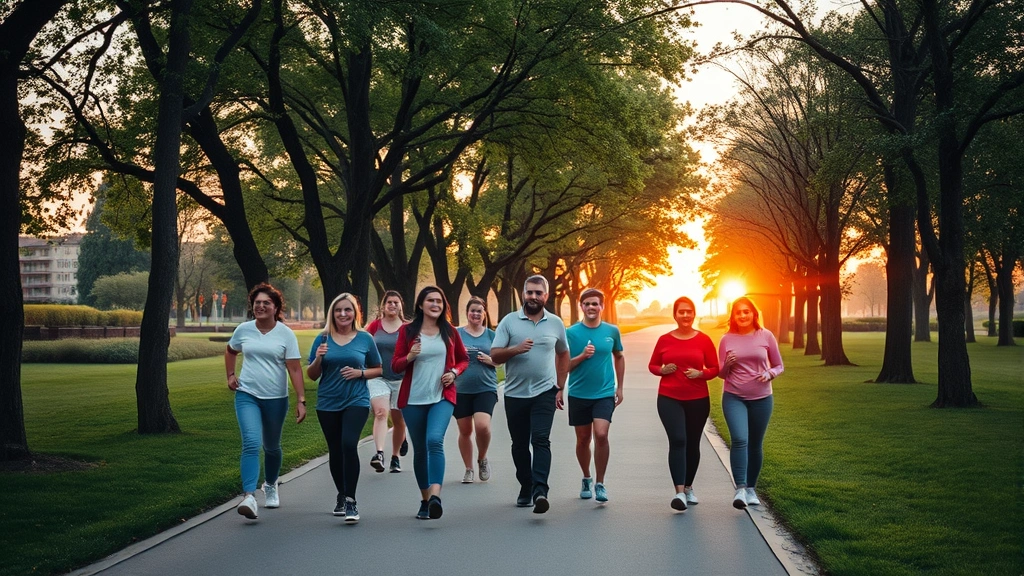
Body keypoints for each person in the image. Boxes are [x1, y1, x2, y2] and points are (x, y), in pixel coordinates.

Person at [224, 283, 306, 520]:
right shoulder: (244, 329)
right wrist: (230, 375)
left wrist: (301, 400)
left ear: (276, 307)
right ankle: (249, 496)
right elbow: (230, 351)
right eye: (257, 303)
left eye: (266, 303)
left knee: (272, 447)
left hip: (276, 399)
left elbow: (294, 368)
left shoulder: (285, 334)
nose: (260, 306)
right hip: (247, 394)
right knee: (251, 442)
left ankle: (270, 484)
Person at [490, 275, 569, 514]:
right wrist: (516, 349)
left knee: (541, 440)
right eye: (530, 292)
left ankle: (540, 491)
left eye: (538, 293)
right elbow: (494, 356)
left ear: (546, 296)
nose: (533, 297)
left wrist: (560, 385)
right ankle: (526, 486)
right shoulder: (509, 322)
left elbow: (563, 353)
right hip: (515, 393)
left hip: (545, 391)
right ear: (523, 294)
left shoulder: (555, 323)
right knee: (520, 445)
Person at [392, 286, 469, 520]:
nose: (435, 304)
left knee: (434, 440)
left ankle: (436, 495)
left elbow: (463, 359)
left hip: (441, 397)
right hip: (413, 400)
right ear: (420, 305)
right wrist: (410, 357)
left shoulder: (449, 331)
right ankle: (425, 500)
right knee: (420, 450)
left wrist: (454, 373)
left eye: (439, 301)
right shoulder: (407, 331)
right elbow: (395, 365)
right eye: (430, 300)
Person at [306, 293, 382, 523]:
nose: (343, 314)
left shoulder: (365, 339)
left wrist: (360, 373)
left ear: (354, 313)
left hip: (356, 401)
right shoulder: (322, 338)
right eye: (338, 310)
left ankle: (351, 500)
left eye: (347, 310)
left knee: (349, 444)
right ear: (332, 313)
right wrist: (319, 358)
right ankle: (341, 493)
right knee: (335, 450)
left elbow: (378, 369)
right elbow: (312, 375)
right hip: (328, 402)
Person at [647, 296, 719, 511]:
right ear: (675, 315)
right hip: (669, 398)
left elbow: (715, 368)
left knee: (693, 442)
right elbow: (652, 364)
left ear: (693, 314)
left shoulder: (704, 340)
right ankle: (679, 493)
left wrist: (701, 373)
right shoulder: (664, 340)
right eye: (681, 312)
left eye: (689, 311)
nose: (685, 315)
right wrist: (662, 370)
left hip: (698, 399)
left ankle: (688, 487)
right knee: (678, 440)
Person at [718, 296, 784, 510]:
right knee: (739, 439)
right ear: (733, 317)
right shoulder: (726, 339)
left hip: (762, 398)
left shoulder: (766, 336)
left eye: (746, 311)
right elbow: (721, 374)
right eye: (738, 312)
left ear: (754, 314)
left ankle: (751, 489)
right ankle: (740, 488)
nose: (742, 315)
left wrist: (770, 373)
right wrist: (726, 365)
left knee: (755, 444)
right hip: (734, 396)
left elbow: (779, 365)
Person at [563, 288, 624, 503]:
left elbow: (619, 356)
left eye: (595, 304)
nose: (591, 307)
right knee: (582, 439)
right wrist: (581, 356)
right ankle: (586, 477)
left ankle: (600, 483)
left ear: (602, 307)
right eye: (587, 304)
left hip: (604, 393)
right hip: (579, 393)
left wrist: (620, 387)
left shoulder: (612, 331)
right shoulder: (570, 333)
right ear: (581, 306)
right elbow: (564, 366)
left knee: (601, 434)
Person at [455, 296, 499, 484]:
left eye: (479, 311)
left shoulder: (491, 335)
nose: (476, 314)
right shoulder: (457, 334)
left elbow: (501, 359)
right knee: (465, 431)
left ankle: (482, 457)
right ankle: (468, 469)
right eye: (473, 310)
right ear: (467, 313)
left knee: (482, 426)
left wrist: (491, 361)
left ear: (484, 314)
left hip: (485, 388)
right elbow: (449, 357)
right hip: (461, 389)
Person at [365, 290, 410, 473]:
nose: (392, 305)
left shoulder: (408, 328)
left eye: (396, 302)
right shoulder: (375, 326)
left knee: (399, 421)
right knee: (381, 412)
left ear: (401, 306)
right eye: (389, 302)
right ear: (383, 305)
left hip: (402, 379)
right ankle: (380, 454)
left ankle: (395, 457)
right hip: (379, 377)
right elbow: (364, 347)